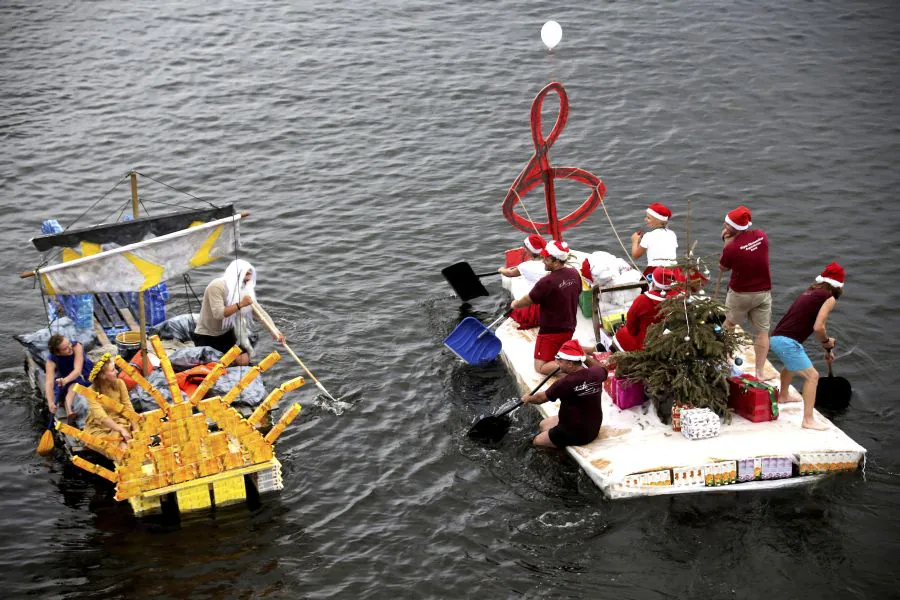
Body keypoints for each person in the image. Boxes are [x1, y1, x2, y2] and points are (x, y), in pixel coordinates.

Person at [768, 263, 845, 431]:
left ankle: (783, 396)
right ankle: (808, 420)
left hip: (777, 338)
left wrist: (826, 347)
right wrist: (826, 342)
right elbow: (818, 327)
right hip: (787, 342)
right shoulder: (829, 298)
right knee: (812, 376)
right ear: (839, 286)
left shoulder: (810, 292)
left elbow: (817, 325)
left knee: (791, 365)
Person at [193, 259, 284, 365]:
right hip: (207, 335)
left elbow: (260, 314)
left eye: (248, 281)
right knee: (215, 367)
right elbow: (218, 314)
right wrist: (241, 304)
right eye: (244, 281)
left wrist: (274, 331)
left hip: (227, 333)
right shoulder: (216, 287)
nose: (246, 284)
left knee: (244, 360)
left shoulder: (244, 291)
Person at [510, 240, 581, 375]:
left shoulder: (547, 282)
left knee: (540, 368)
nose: (543, 261)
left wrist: (515, 304)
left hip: (551, 331)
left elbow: (528, 300)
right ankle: (576, 350)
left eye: (545, 258)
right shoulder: (574, 273)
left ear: (555, 260)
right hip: (570, 324)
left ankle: (575, 361)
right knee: (561, 347)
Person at [522, 340, 607, 448]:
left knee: (536, 442)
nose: (557, 363)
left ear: (570, 364)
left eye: (560, 361)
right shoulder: (597, 372)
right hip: (593, 427)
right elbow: (603, 368)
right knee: (543, 425)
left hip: (576, 433)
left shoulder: (565, 383)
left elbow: (540, 399)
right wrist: (585, 357)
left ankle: (559, 455)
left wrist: (528, 398)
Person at [719, 205, 771, 378]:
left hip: (740, 294)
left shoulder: (732, 249)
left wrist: (726, 243)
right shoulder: (761, 236)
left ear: (733, 228)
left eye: (727, 225)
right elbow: (751, 249)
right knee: (762, 332)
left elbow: (723, 268)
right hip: (763, 292)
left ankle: (725, 360)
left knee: (729, 324)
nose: (724, 227)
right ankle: (760, 372)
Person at [612, 266, 678, 352]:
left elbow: (631, 325)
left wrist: (633, 331)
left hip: (647, 343)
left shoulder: (643, 300)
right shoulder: (681, 297)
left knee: (621, 334)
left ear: (653, 283)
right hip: (672, 340)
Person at [498, 234, 548, 329]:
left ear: (530, 251)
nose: (524, 249)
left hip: (536, 307)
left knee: (513, 307)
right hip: (550, 305)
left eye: (525, 247)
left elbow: (510, 273)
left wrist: (501, 270)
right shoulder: (551, 264)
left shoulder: (525, 266)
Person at [85, 353, 134, 444]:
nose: (116, 372)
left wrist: (136, 429)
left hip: (121, 421)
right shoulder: (91, 391)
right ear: (103, 376)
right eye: (112, 370)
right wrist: (121, 430)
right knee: (117, 446)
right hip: (100, 427)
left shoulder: (120, 383)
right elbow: (101, 417)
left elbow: (128, 407)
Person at [44, 334, 93, 420]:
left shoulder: (77, 346)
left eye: (69, 343)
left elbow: (77, 370)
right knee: (72, 386)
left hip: (82, 372)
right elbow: (49, 383)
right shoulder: (51, 361)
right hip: (66, 377)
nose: (70, 348)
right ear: (57, 353)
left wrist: (66, 380)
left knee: (75, 384)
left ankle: (68, 408)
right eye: (65, 348)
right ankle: (69, 410)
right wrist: (50, 402)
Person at [631, 202, 677, 277]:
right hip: (673, 270)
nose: (645, 219)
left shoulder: (648, 236)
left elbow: (635, 255)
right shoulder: (672, 234)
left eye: (648, 218)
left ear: (657, 220)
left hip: (655, 271)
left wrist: (635, 241)